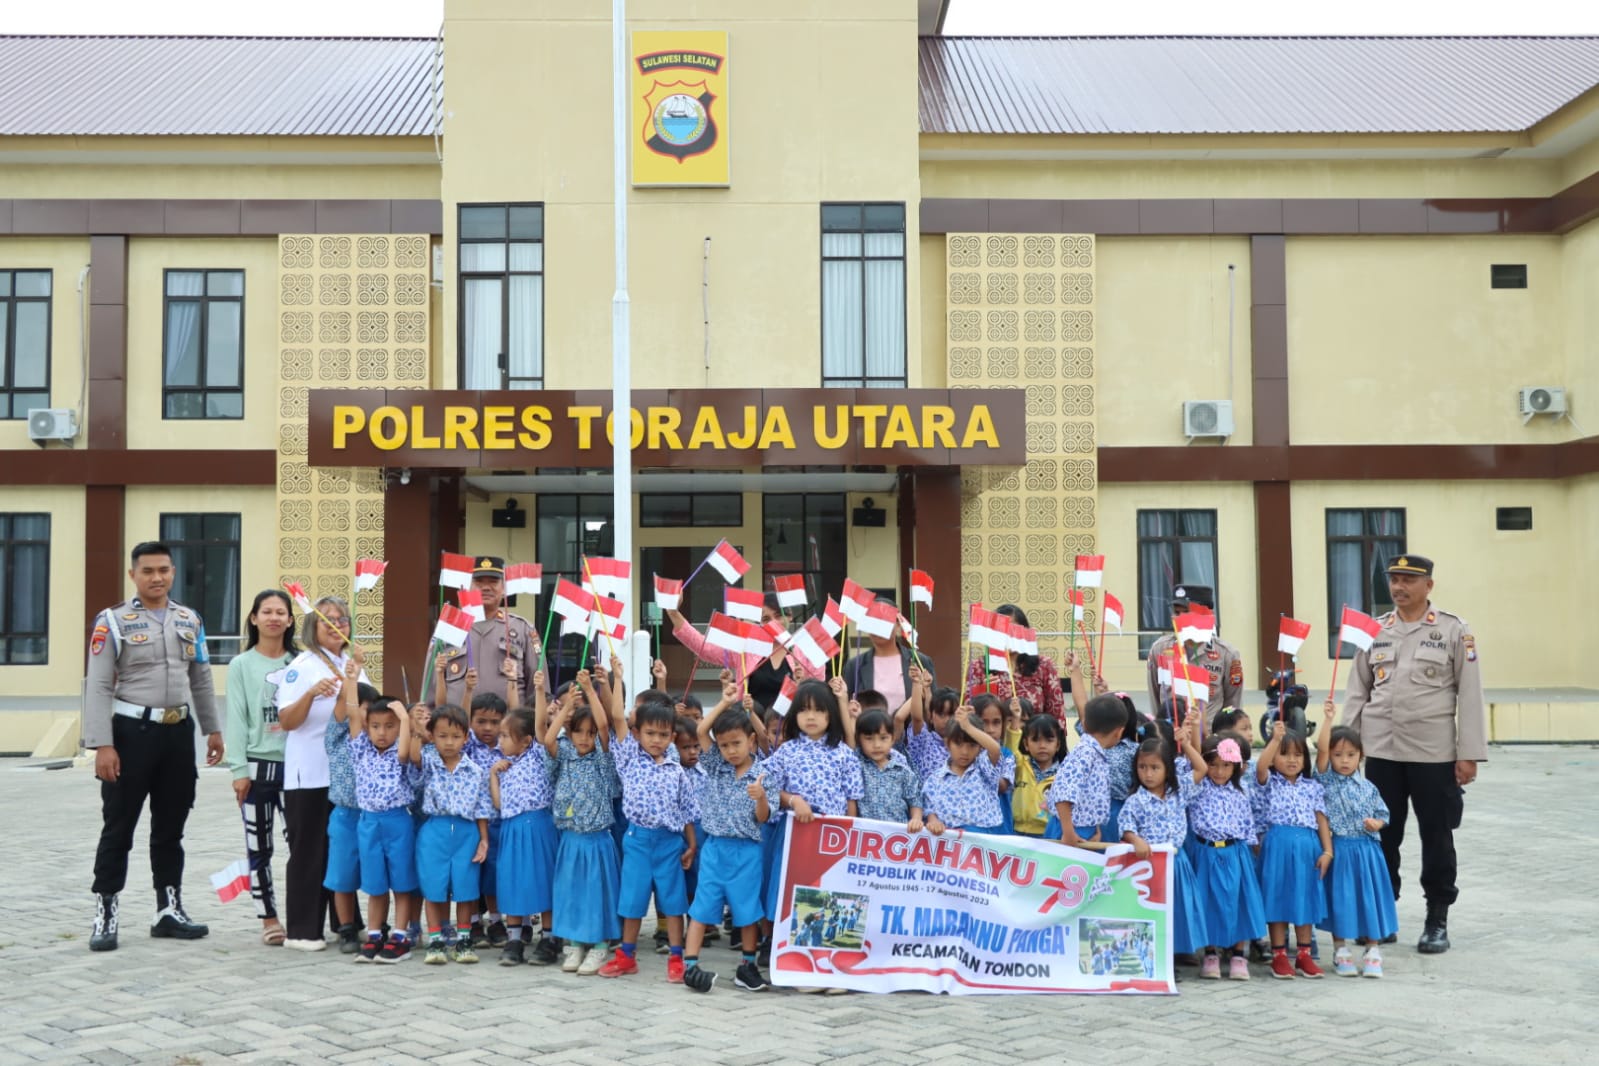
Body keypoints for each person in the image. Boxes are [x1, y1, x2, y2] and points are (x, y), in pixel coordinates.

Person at [85, 541, 224, 952]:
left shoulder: (189, 619)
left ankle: (169, 909)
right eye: (148, 571)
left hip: (177, 733)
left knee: (170, 828)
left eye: (164, 569)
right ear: (133, 575)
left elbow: (200, 676)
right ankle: (106, 910)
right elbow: (98, 685)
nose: (157, 577)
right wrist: (102, 745)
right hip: (131, 734)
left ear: (173, 571)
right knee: (119, 826)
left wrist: (212, 729)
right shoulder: (112, 621)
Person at [1343, 554, 1485, 955]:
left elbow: (1470, 694)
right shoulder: (1376, 631)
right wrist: (1345, 747)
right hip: (1382, 751)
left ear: (1428, 586)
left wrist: (1468, 752)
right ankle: (1383, 917)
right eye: (1394, 579)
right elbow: (1358, 690)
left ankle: (1436, 918)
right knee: (1380, 834)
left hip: (1433, 753)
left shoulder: (1453, 631)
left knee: (1436, 837)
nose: (1399, 587)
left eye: (1408, 580)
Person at [276, 595, 368, 951]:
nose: (336, 626)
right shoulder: (303, 666)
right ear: (313, 627)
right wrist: (312, 694)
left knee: (341, 849)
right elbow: (287, 721)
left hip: (343, 776)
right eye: (327, 620)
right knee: (309, 851)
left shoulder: (351, 663)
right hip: (309, 774)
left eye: (342, 620)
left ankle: (346, 922)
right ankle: (302, 929)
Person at [602, 688, 700, 981]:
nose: (656, 740)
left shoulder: (677, 771)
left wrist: (691, 845)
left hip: (670, 844)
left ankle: (676, 958)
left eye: (663, 734)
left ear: (672, 737)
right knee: (632, 901)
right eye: (650, 733)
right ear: (637, 734)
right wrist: (617, 678)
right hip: (638, 841)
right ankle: (626, 956)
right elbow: (617, 717)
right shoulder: (629, 760)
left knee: (673, 903)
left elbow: (686, 813)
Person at [682, 705, 777, 994]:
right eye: (724, 745)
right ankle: (690, 965)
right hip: (715, 849)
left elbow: (764, 818)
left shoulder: (763, 775)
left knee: (747, 910)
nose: (730, 751)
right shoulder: (716, 766)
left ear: (751, 741)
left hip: (747, 851)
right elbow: (700, 730)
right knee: (702, 908)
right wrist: (723, 702)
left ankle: (747, 966)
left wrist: (760, 798)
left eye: (736, 743)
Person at [224, 590, 300, 946]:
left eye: (280, 612)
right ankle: (268, 917)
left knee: (302, 845)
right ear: (254, 619)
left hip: (299, 768)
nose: (273, 617)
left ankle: (304, 915)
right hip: (257, 768)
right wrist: (238, 769)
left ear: (289, 620)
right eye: (266, 611)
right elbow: (237, 719)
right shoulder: (241, 665)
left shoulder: (301, 662)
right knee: (259, 847)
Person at [545, 669, 621, 976]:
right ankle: (575, 943)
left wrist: (590, 690)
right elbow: (548, 738)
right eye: (579, 731)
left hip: (598, 839)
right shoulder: (564, 753)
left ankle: (600, 945)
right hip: (571, 838)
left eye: (590, 733)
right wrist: (566, 709)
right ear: (570, 731)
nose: (586, 738)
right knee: (572, 891)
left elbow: (604, 725)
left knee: (597, 893)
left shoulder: (602, 757)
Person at [1314, 702, 1398, 978]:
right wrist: (1328, 720)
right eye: (1339, 755)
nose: (1345, 760)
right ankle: (1340, 950)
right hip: (1341, 849)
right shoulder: (1326, 780)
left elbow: (1383, 813)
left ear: (1361, 756)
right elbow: (1322, 749)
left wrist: (1377, 823)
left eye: (1351, 754)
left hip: (1368, 851)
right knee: (1341, 899)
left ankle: (1372, 949)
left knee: (1367, 898)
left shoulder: (1368, 786)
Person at [1117, 720, 1208, 962]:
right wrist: (1134, 839)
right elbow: (1126, 827)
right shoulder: (1135, 800)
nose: (1148, 774)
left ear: (1168, 768)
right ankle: (1155, 957)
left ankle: (1175, 955)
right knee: (1152, 911)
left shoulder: (1179, 792)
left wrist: (1187, 745)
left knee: (1177, 909)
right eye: (1142, 767)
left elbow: (1201, 769)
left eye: (1155, 767)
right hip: (1150, 867)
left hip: (1176, 863)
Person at [411, 704, 494, 965]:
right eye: (442, 736)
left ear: (466, 738)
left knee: (465, 888)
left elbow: (482, 807)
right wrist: (415, 726)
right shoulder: (427, 761)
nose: (449, 742)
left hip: (466, 832)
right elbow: (411, 756)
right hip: (435, 829)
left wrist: (483, 840)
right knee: (434, 887)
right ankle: (436, 940)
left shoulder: (475, 770)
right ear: (432, 736)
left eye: (456, 736)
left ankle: (464, 940)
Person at [1188, 730, 1266, 980]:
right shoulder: (1198, 789)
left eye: (1226, 766)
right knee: (1208, 902)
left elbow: (1248, 821)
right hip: (1206, 852)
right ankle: (1211, 953)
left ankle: (1238, 954)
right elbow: (1189, 767)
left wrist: (1253, 847)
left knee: (1239, 902)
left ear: (1237, 766)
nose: (1219, 771)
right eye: (1213, 765)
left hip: (1236, 852)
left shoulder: (1242, 792)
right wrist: (1188, 740)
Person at [1255, 727, 1332, 979]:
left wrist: (1327, 851)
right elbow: (1260, 768)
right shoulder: (1270, 783)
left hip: (1308, 847)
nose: (1291, 760)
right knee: (1277, 897)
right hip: (1277, 844)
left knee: (1304, 898)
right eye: (1284, 754)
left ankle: (1303, 955)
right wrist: (1275, 739)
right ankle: (1279, 955)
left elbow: (1321, 820)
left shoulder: (1312, 787)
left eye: (1298, 755)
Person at [489, 698, 561, 967]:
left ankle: (549, 938)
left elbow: (541, 724)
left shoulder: (537, 754)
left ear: (527, 740)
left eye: (506, 736)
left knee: (543, 880)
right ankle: (515, 939)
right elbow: (498, 804)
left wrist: (541, 690)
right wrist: (493, 776)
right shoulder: (504, 764)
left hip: (538, 827)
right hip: (511, 828)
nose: (501, 742)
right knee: (512, 882)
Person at [348, 696, 419, 963]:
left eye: (390, 726)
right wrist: (352, 678)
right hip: (368, 822)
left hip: (397, 821)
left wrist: (405, 719)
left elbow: (403, 752)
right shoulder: (361, 750)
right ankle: (375, 934)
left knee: (401, 883)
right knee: (375, 884)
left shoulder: (401, 752)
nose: (382, 732)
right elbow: (354, 715)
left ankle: (400, 937)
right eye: (376, 726)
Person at [667, 596, 823, 707]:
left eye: (778, 616)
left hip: (790, 729)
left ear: (789, 617)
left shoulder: (805, 649)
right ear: (760, 622)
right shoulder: (747, 648)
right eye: (766, 619)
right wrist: (674, 613)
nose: (774, 623)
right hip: (750, 727)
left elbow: (818, 690)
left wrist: (801, 682)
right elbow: (705, 648)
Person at [439, 557, 541, 706]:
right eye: (479, 582)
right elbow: (433, 684)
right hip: (457, 724)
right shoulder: (449, 627)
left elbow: (538, 683)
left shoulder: (522, 628)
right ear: (468, 586)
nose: (486, 587)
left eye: (493, 581)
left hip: (509, 725)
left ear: (504, 588)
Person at [325, 672, 377, 954]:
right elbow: (346, 709)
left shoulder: (379, 742)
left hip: (372, 817)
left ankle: (376, 926)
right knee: (343, 875)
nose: (359, 715)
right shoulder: (336, 738)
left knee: (376, 874)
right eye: (355, 707)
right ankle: (346, 929)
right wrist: (350, 684)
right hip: (345, 817)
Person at [1145, 585, 1244, 722]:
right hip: (1172, 736)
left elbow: (1232, 703)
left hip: (1209, 737)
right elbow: (1155, 697)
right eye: (1176, 612)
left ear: (1205, 615)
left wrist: (1222, 734)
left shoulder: (1227, 654)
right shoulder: (1160, 649)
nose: (1177, 618)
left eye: (1185, 612)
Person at [961, 604, 1066, 725]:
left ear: (1024, 631)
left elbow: (1057, 715)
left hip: (1035, 739)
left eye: (1012, 631)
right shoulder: (978, 667)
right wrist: (983, 692)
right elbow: (968, 713)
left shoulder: (1043, 666)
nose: (1007, 637)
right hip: (994, 741)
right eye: (1001, 631)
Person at [1048, 694, 1127, 848]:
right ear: (1119, 732)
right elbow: (1062, 795)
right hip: (1071, 830)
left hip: (1086, 830)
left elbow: (1092, 798)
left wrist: (1096, 829)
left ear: (1084, 723)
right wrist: (1068, 832)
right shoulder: (1085, 753)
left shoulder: (1095, 753)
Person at [922, 705, 1005, 835]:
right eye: (958, 744)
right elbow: (930, 809)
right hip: (951, 840)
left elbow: (995, 749)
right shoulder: (935, 779)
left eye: (972, 745)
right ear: (947, 743)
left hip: (986, 837)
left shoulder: (984, 767)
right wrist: (934, 822)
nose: (965, 752)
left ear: (980, 747)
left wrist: (968, 727)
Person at [854, 706, 925, 832]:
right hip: (864, 835)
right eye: (869, 739)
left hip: (897, 836)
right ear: (859, 740)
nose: (877, 745)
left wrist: (916, 819)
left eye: (883, 738)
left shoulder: (903, 771)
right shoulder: (856, 765)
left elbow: (915, 800)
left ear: (892, 739)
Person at [840, 619, 935, 710]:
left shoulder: (919, 661)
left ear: (898, 625)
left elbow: (934, 706)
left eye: (884, 622)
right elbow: (846, 707)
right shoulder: (855, 665)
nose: (878, 628)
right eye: (872, 622)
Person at [1008, 712, 1065, 838]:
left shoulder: (1064, 774)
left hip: (1050, 835)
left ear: (1058, 745)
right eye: (1035, 740)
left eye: (1049, 740)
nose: (1042, 746)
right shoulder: (1020, 765)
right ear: (1026, 744)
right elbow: (1010, 750)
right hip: (1018, 833)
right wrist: (1015, 719)